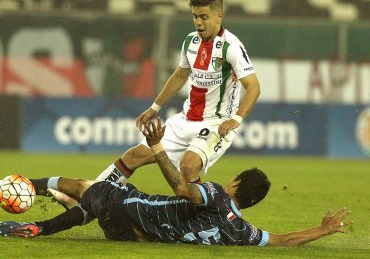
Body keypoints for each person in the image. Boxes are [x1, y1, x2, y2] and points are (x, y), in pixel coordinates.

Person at [29, 0, 261, 200]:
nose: (198, 22)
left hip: (215, 123)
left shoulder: (232, 47)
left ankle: (210, 214)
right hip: (184, 120)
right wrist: (154, 108)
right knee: (133, 157)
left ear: (219, 16)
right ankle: (90, 199)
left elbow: (253, 87)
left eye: (204, 17)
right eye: (194, 17)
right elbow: (180, 76)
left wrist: (236, 119)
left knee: (188, 167)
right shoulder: (190, 42)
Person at [0, 120, 353, 246]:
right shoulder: (241, 232)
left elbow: (183, 189)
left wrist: (157, 148)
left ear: (235, 182)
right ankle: (42, 218)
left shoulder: (214, 194)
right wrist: (322, 230)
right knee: (88, 203)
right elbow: (284, 241)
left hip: (130, 209)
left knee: (80, 186)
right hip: (133, 236)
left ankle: (35, 223)